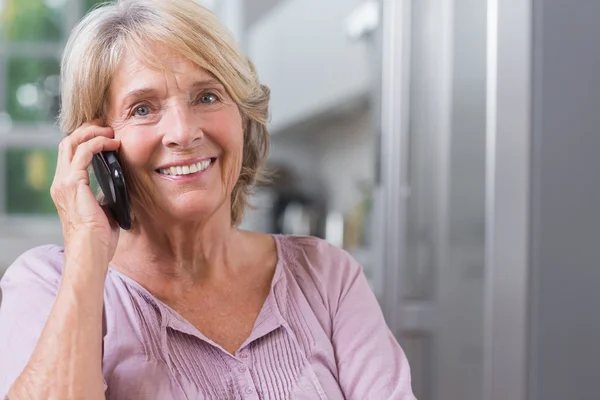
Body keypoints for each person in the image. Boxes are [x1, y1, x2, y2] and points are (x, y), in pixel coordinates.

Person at [0, 0, 416, 398]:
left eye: (207, 97)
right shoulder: (46, 285)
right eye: (143, 109)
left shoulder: (326, 277)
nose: (184, 132)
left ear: (243, 117)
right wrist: (87, 252)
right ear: (97, 145)